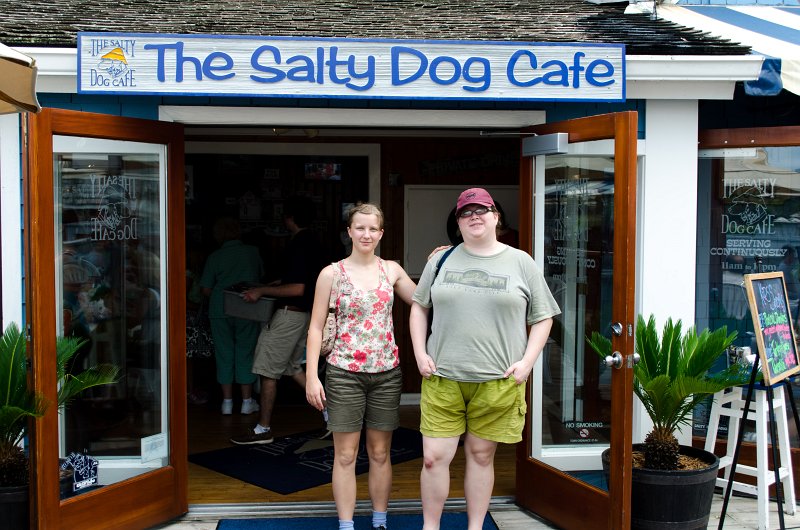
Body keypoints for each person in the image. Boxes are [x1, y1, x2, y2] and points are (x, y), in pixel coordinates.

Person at [409, 187, 560, 530]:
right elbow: (419, 307)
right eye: (466, 212)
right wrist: (419, 352)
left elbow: (543, 317)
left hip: (498, 381)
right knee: (433, 459)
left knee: (480, 456)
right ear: (458, 222)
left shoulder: (521, 261)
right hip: (442, 377)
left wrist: (527, 363)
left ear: (496, 218)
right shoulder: (441, 260)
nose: (474, 216)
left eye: (482, 210)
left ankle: (475, 526)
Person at [305, 203, 416, 530]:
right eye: (360, 228)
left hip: (386, 375)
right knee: (345, 455)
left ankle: (380, 521)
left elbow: (426, 299)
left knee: (380, 453)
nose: (366, 234)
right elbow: (314, 327)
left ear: (380, 234)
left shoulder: (391, 270)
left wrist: (442, 261)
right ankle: (346, 524)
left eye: (373, 229)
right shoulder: (331, 273)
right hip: (343, 374)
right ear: (350, 231)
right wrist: (312, 376)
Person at [231, 195, 324, 445]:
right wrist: (276, 284)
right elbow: (302, 283)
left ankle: (263, 429)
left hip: (288, 314)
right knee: (292, 367)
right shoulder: (313, 241)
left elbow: (297, 288)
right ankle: (330, 415)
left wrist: (261, 291)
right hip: (304, 315)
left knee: (267, 371)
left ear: (289, 218)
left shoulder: (298, 244)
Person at [199, 217, 264, 415]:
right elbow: (260, 278)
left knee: (224, 354)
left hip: (220, 308)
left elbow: (205, 288)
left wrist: (222, 297)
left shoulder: (215, 256)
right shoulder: (252, 252)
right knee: (245, 351)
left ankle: (226, 403)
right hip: (247, 306)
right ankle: (246, 402)